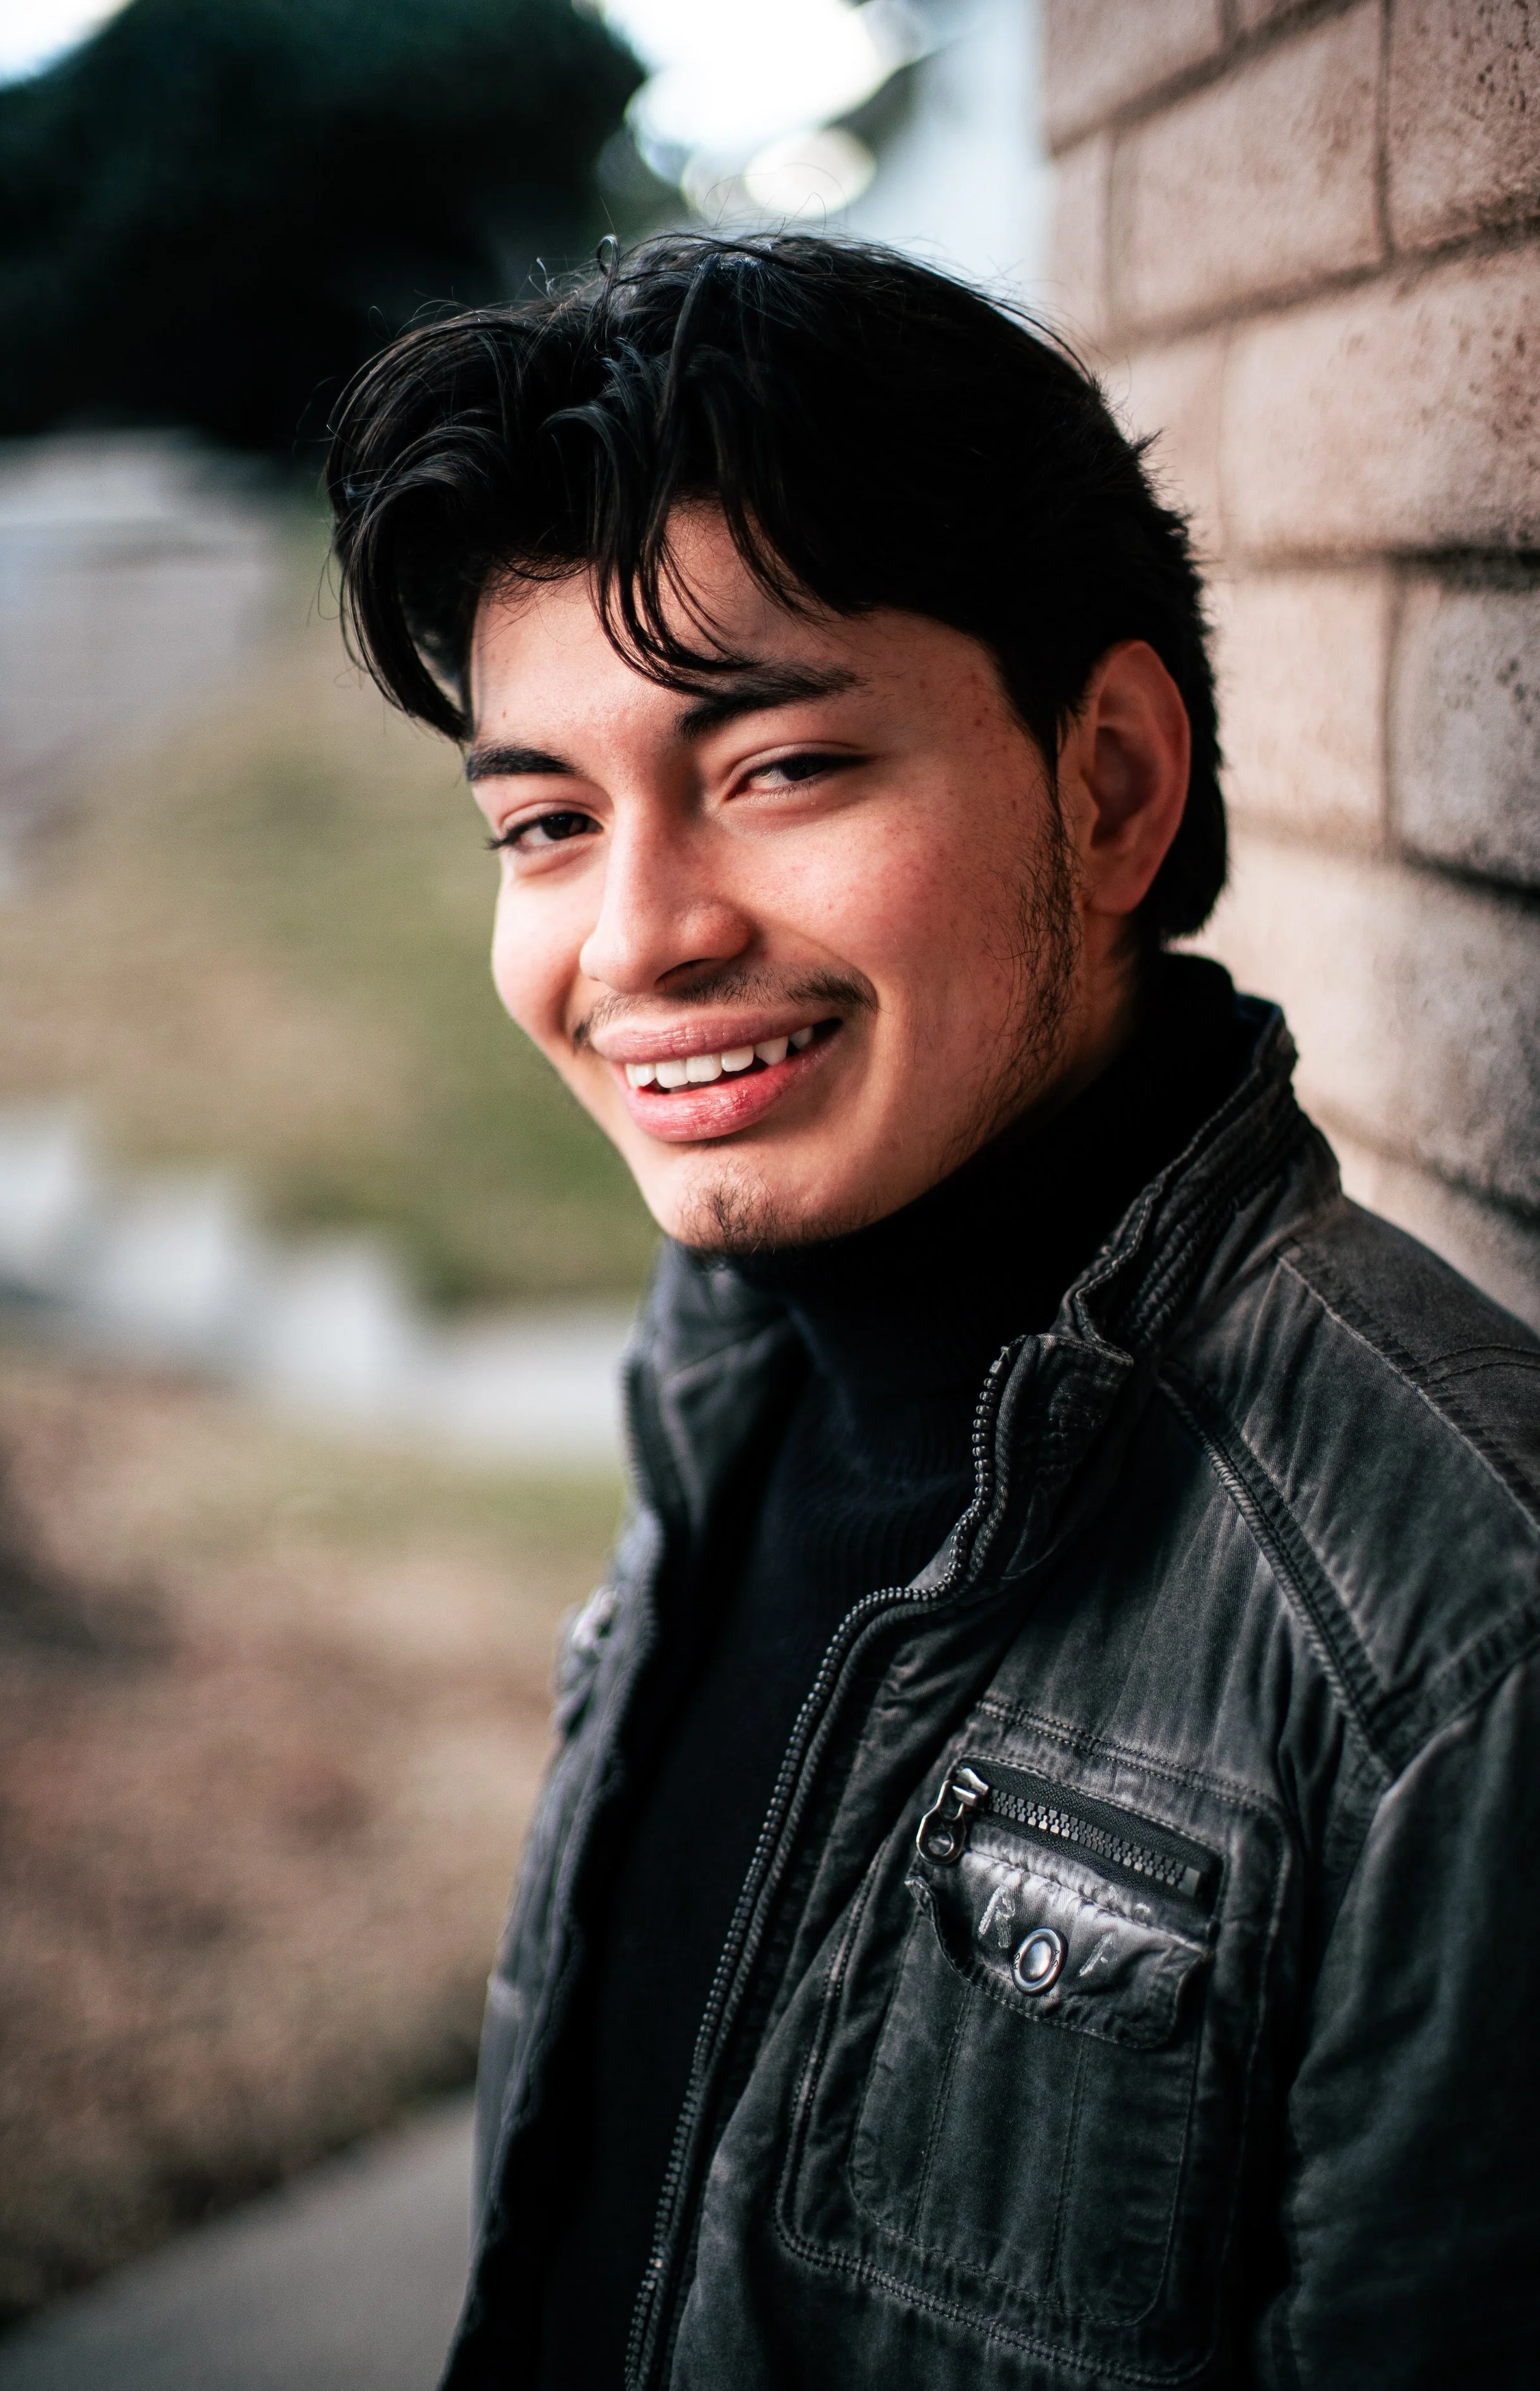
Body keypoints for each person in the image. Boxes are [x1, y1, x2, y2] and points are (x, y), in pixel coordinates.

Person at [326, 236, 1540, 2389]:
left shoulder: (1452, 1635)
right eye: (544, 820)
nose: (640, 941)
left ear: (1110, 783)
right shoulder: (728, 1357)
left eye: (778, 768)